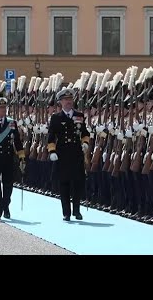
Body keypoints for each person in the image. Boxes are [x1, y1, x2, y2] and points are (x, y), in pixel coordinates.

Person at [47, 88, 90, 221]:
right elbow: (51, 137)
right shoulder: (56, 118)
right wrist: (52, 151)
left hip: (76, 153)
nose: (68, 102)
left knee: (77, 183)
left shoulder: (79, 116)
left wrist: (85, 143)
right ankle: (66, 212)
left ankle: (77, 210)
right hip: (62, 154)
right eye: (66, 100)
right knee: (64, 183)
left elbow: (85, 133)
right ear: (60, 102)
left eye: (70, 99)